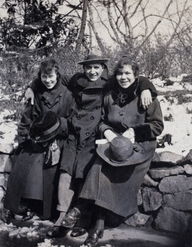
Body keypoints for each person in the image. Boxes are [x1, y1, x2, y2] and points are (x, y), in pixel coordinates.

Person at [24, 53, 158, 237]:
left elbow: (135, 80)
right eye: (88, 67)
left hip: (97, 133)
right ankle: (63, 215)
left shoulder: (110, 83)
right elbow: (50, 77)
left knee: (85, 168)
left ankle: (84, 218)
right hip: (79, 130)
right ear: (83, 69)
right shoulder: (77, 80)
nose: (92, 71)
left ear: (103, 68)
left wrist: (145, 86)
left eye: (96, 67)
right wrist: (31, 87)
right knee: (66, 168)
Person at [61, 57, 164, 246]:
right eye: (120, 73)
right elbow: (102, 121)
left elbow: (157, 126)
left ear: (136, 76)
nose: (123, 77)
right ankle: (96, 223)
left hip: (139, 147)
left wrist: (134, 132)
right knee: (98, 166)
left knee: (109, 171)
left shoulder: (146, 95)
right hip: (114, 142)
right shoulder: (110, 95)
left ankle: (83, 211)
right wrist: (107, 132)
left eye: (127, 73)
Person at [3, 59, 74, 222]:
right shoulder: (35, 93)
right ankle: (16, 205)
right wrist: (27, 138)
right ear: (39, 77)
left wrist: (57, 129)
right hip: (35, 139)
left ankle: (44, 208)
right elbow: (25, 119)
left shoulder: (68, 95)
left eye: (51, 76)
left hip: (57, 140)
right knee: (24, 160)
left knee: (48, 165)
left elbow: (71, 121)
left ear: (57, 74)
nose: (48, 80)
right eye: (44, 77)